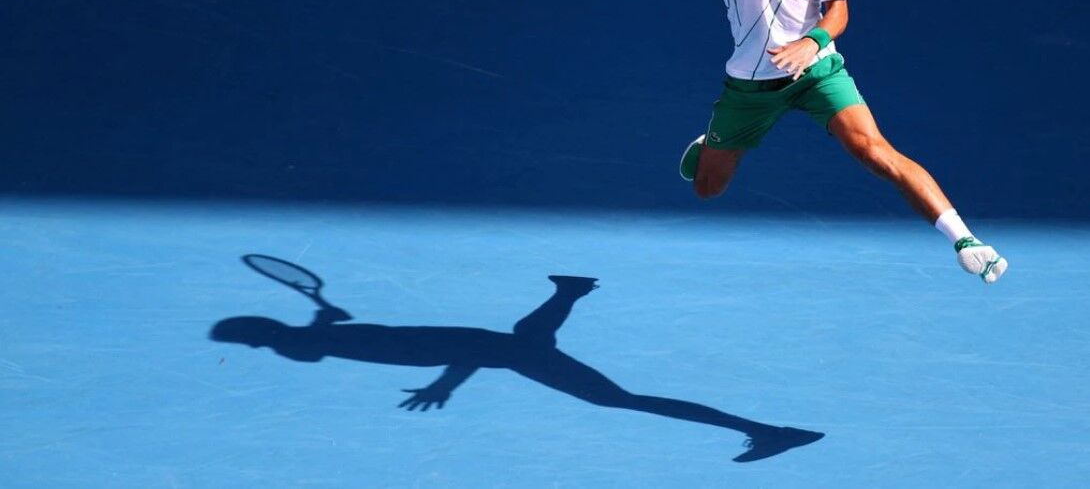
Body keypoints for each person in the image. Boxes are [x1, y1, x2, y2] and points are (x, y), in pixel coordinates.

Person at [680, 0, 1007, 284]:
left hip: (815, 70)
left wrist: (811, 43)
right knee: (707, 190)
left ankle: (965, 239)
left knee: (875, 150)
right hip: (750, 85)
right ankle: (710, 140)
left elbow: (838, 13)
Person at [211, 274, 823, 462]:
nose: (247, 348)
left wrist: (441, 386)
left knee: (619, 400)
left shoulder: (307, 344)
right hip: (477, 342)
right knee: (528, 341)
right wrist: (330, 320)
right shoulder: (316, 335)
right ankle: (569, 292)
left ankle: (770, 432)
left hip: (482, 348)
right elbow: (329, 326)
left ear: (260, 337)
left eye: (244, 341)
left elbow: (470, 354)